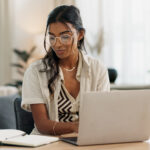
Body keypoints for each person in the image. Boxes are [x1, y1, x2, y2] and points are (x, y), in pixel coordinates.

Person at [21, 5, 110, 136]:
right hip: (47, 142)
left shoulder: (97, 68)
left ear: (80, 34)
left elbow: (102, 115)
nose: (57, 44)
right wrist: (75, 127)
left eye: (65, 36)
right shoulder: (35, 72)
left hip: (87, 140)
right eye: (52, 37)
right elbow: (42, 125)